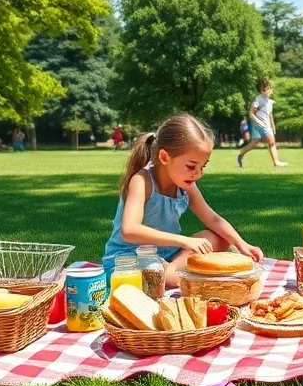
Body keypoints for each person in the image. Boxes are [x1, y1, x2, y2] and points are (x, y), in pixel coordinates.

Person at [102, 113, 264, 288]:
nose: (198, 173)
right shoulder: (141, 181)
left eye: (202, 166)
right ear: (164, 157)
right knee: (170, 275)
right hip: (129, 259)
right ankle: (174, 276)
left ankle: (172, 272)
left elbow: (213, 219)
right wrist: (184, 241)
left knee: (219, 238)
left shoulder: (186, 184)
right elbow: (129, 230)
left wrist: (241, 243)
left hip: (168, 254)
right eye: (191, 166)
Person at [238, 80, 288, 168]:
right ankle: (241, 154)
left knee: (267, 142)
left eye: (268, 89)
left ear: (271, 90)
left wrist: (273, 125)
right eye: (264, 90)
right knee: (260, 142)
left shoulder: (270, 102)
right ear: (261, 91)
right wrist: (256, 120)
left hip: (267, 125)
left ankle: (275, 162)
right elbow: (251, 113)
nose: (266, 92)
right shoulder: (258, 99)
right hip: (258, 124)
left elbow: (270, 114)